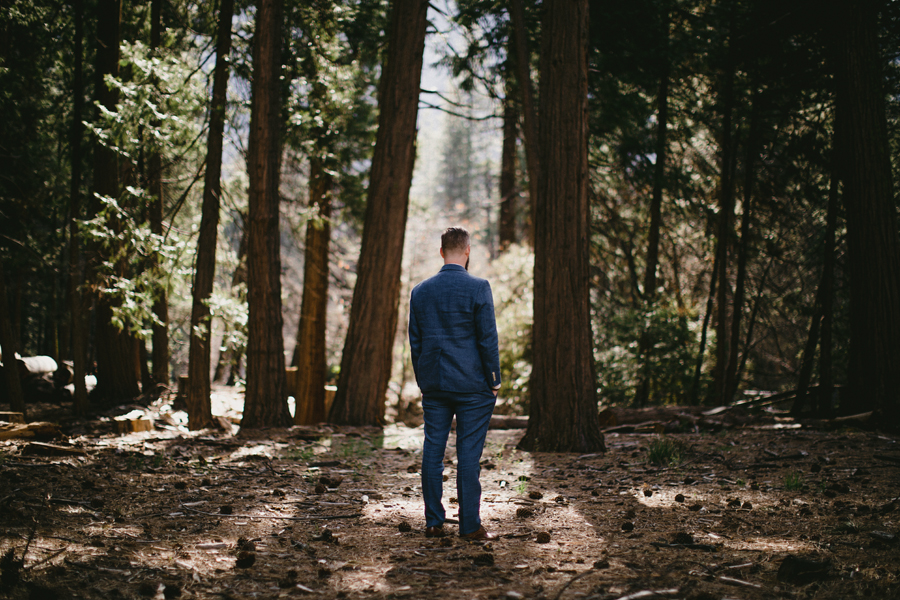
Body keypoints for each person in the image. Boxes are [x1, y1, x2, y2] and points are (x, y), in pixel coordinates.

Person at [408, 226, 501, 541]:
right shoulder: (478, 287)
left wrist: (424, 381)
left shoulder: (420, 291)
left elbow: (415, 343)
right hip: (473, 386)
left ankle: (433, 522)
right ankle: (470, 526)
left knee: (432, 450)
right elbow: (487, 339)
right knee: (468, 455)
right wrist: (494, 380)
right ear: (468, 251)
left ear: (441, 252)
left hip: (435, 385)